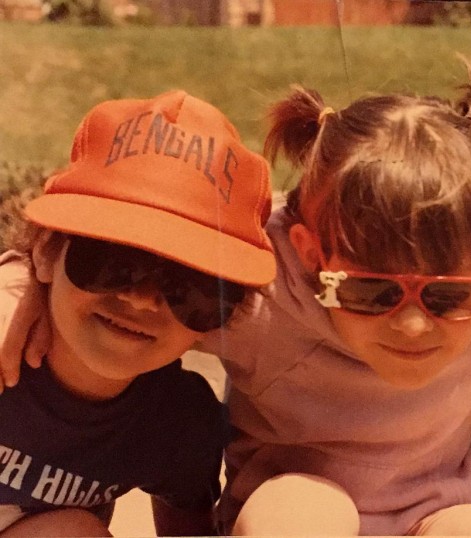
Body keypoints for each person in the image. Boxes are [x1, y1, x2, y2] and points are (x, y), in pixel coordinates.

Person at [0, 58, 471, 536]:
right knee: (307, 515)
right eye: (365, 290)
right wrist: (28, 278)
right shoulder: (263, 297)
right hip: (288, 509)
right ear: (307, 255)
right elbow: (146, 260)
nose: (416, 322)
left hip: (438, 516)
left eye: (450, 296)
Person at [0, 90, 276, 536]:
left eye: (192, 285)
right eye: (112, 259)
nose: (143, 299)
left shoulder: (176, 424)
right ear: (46, 252)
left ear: (226, 315)